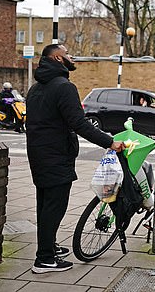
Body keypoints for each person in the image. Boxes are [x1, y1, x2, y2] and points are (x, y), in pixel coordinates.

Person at [26, 44, 125, 274]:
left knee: (45, 205)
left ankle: (48, 247)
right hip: (56, 155)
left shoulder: (36, 88)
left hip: (39, 154)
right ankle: (44, 259)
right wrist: (110, 142)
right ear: (58, 58)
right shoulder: (64, 87)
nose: (72, 57)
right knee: (55, 206)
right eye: (68, 53)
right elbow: (79, 124)